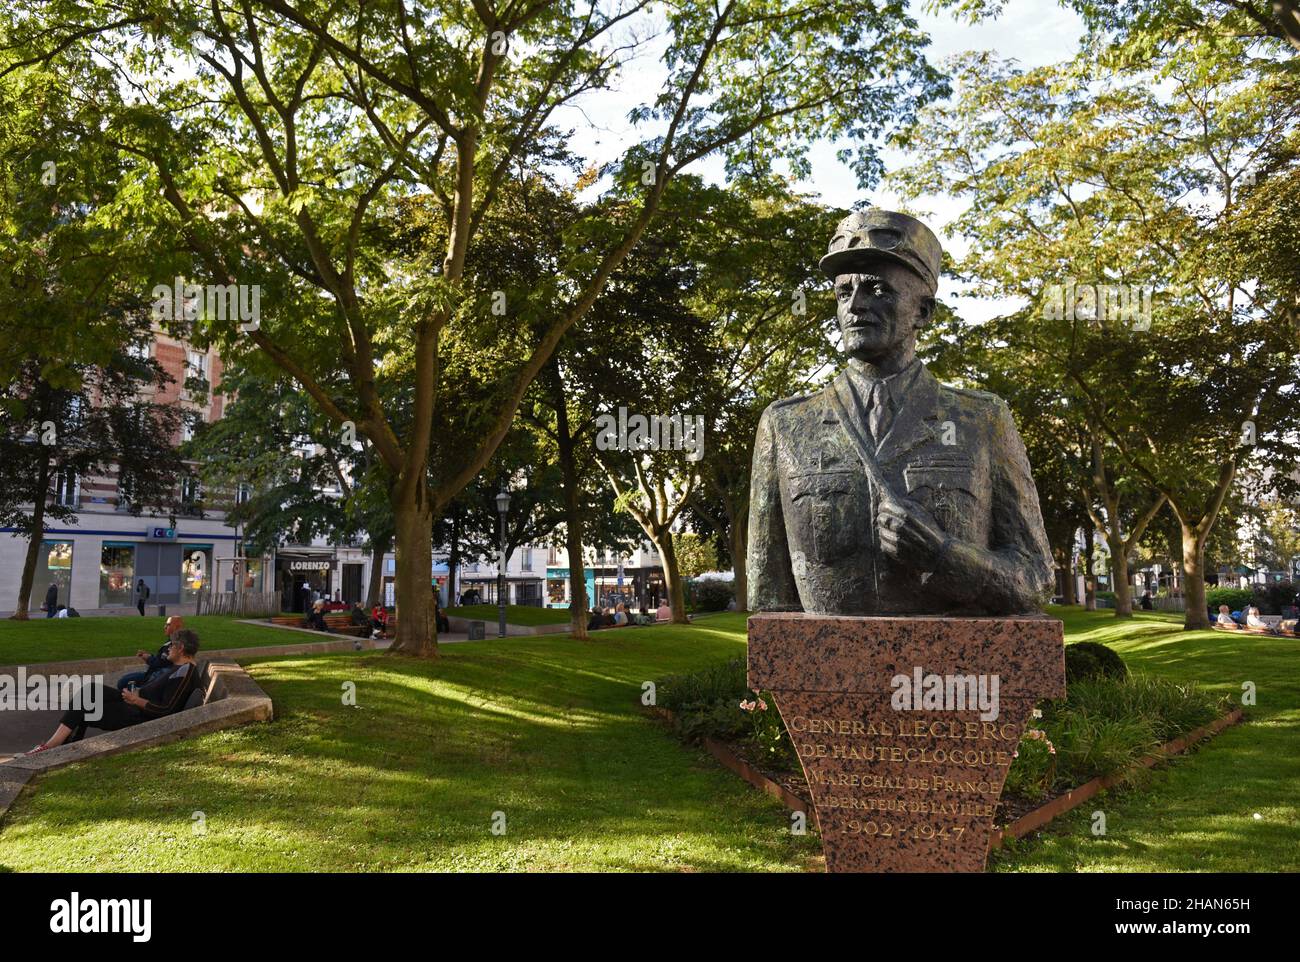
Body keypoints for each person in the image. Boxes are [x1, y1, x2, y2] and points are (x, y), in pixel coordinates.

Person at [747, 210, 1053, 616]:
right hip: (826, 666)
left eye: (877, 289)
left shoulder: (981, 420)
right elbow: (771, 600)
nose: (856, 305)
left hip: (948, 671)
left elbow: (1035, 580)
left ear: (923, 312)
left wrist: (944, 556)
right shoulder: (785, 425)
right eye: (843, 293)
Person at [22, 630, 203, 754]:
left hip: (139, 715)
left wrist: (136, 700)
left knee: (86, 705)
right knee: (88, 695)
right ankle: (60, 746)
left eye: (171, 645)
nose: (168, 649)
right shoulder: (179, 669)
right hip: (135, 705)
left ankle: (52, 746)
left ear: (180, 648)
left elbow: (166, 710)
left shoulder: (184, 671)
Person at [118, 616, 186, 689]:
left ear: (177, 627)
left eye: (168, 625)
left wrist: (148, 658)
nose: (164, 627)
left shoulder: (174, 645)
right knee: (124, 679)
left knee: (122, 683)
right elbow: (162, 660)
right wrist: (148, 656)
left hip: (153, 678)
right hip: (153, 675)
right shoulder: (173, 642)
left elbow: (160, 664)